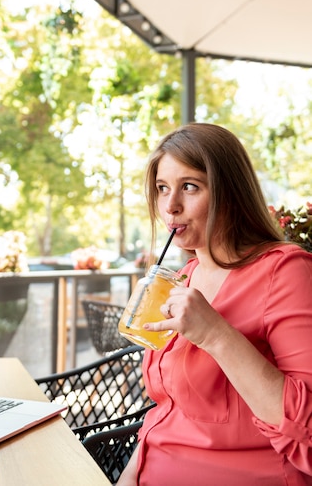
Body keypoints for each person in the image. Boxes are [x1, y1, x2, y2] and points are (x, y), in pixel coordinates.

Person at [118, 123, 312, 486]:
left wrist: (218, 336)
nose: (170, 206)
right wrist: (129, 477)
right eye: (163, 189)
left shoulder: (286, 271)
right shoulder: (185, 276)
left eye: (189, 187)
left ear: (231, 193)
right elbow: (166, 413)